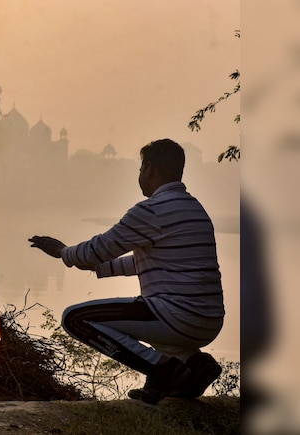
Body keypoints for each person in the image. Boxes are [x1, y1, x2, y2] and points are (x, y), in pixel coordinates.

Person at [29, 138, 225, 405]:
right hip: (207, 321)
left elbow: (97, 249)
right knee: (146, 317)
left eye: (140, 169)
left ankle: (161, 369)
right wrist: (97, 267)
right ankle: (194, 363)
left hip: (176, 316)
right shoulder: (194, 209)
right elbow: (144, 262)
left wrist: (63, 252)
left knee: (75, 318)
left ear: (148, 168)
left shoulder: (153, 210)